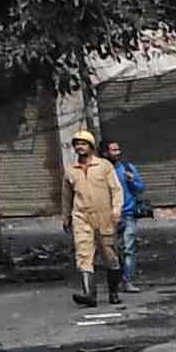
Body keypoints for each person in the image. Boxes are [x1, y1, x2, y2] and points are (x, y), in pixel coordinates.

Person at [60, 123, 131, 307]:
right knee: (84, 254)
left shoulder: (104, 166)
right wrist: (66, 217)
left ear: (91, 146)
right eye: (76, 144)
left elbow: (116, 190)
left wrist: (116, 211)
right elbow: (67, 196)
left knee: (110, 256)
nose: (79, 147)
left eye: (83, 144)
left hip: (105, 216)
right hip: (81, 216)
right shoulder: (71, 170)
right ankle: (88, 294)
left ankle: (113, 292)